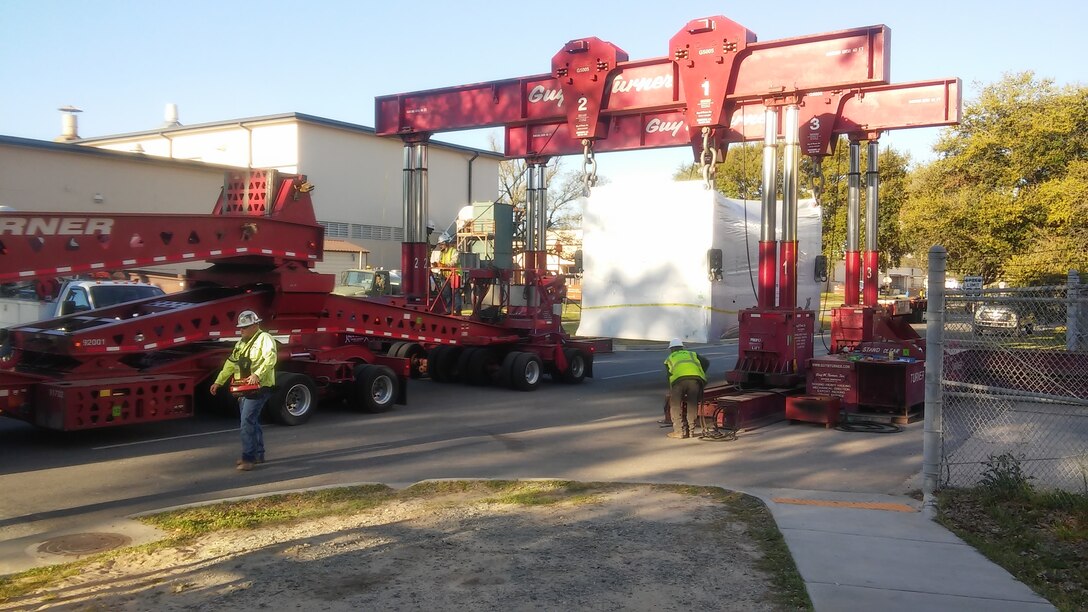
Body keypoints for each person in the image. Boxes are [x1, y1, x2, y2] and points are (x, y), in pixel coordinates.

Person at [210, 310, 278, 471]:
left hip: (260, 387)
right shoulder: (241, 343)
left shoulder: (265, 338)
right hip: (245, 388)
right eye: (240, 327)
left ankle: (248, 458)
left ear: (255, 325)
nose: (241, 330)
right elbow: (230, 363)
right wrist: (219, 381)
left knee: (246, 422)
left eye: (244, 327)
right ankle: (258, 454)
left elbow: (270, 358)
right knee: (252, 421)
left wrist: (257, 374)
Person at [663, 338, 707, 439]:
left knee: (675, 405)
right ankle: (691, 431)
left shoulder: (670, 358)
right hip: (695, 380)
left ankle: (679, 431)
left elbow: (669, 375)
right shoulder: (692, 354)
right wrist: (700, 373)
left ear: (671, 349)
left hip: (679, 381)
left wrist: (672, 390)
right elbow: (705, 362)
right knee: (692, 404)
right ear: (682, 347)